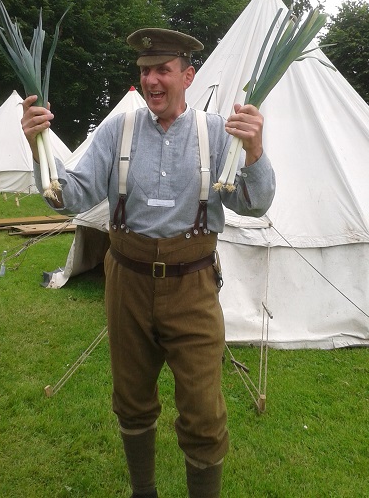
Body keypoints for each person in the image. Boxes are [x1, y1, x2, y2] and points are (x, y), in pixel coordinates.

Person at [21, 28, 275, 498]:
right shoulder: (118, 129)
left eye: (162, 70)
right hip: (128, 283)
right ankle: (144, 492)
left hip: (193, 286)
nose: (151, 80)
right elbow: (70, 196)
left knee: (204, 412)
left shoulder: (217, 133)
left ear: (188, 76)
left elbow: (254, 204)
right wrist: (40, 148)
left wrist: (255, 152)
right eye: (144, 71)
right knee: (132, 399)